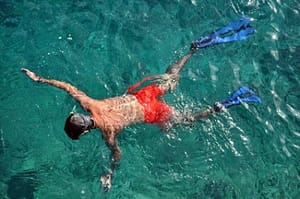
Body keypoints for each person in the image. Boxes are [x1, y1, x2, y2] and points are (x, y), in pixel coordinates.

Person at [21, 17, 261, 192]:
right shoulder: (88, 103)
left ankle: (222, 105)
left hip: (150, 112)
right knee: (170, 78)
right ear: (79, 114)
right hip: (141, 96)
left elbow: (117, 154)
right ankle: (193, 50)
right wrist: (40, 79)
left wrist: (109, 174)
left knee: (185, 121)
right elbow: (67, 86)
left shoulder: (109, 132)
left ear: (85, 132)